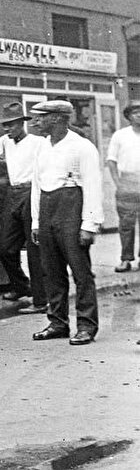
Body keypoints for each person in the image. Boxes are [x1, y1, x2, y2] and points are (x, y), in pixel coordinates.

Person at [29, 100, 103, 346]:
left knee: (80, 272)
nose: (35, 122)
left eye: (40, 117)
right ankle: (58, 322)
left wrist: (89, 224)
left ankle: (86, 325)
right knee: (51, 270)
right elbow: (37, 186)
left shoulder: (82, 147)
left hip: (72, 208)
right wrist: (36, 221)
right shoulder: (42, 147)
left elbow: (92, 184)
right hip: (48, 208)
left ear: (57, 118)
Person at [0, 102, 47, 313]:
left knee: (35, 250)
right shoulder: (6, 142)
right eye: (5, 125)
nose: (7, 129)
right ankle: (21, 286)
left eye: (11, 125)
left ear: (22, 123)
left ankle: (41, 301)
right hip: (13, 193)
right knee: (5, 247)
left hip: (32, 192)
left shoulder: (39, 142)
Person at [106, 100, 140, 273]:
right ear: (128, 116)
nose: (139, 115)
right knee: (126, 224)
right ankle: (126, 259)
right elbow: (111, 161)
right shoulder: (120, 135)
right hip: (127, 183)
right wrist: (118, 183)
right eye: (135, 112)